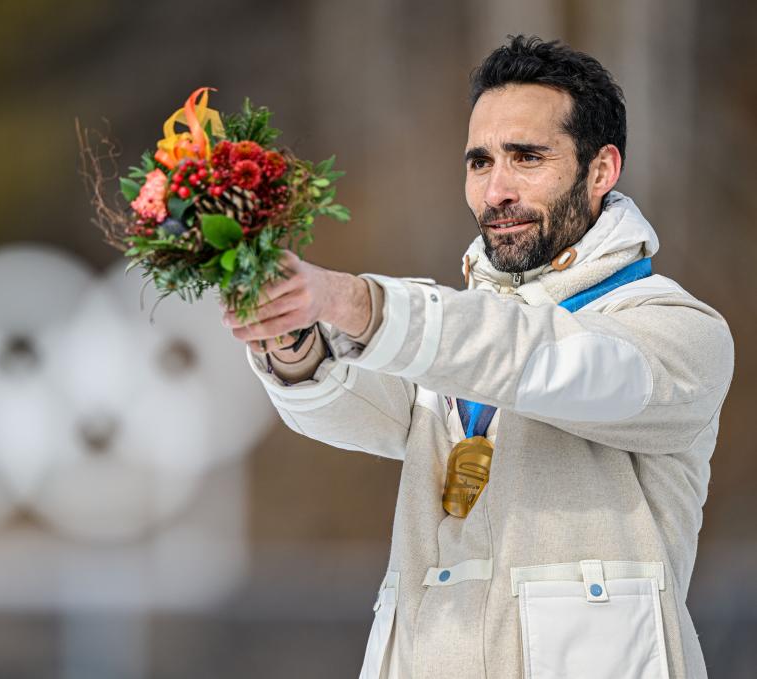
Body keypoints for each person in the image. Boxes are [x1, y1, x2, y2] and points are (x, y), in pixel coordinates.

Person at [221, 36, 734, 679]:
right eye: (480, 162)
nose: (496, 190)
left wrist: (356, 302)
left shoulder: (678, 330)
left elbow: (553, 364)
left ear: (601, 170)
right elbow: (360, 399)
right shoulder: (460, 338)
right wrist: (293, 336)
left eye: (527, 157)